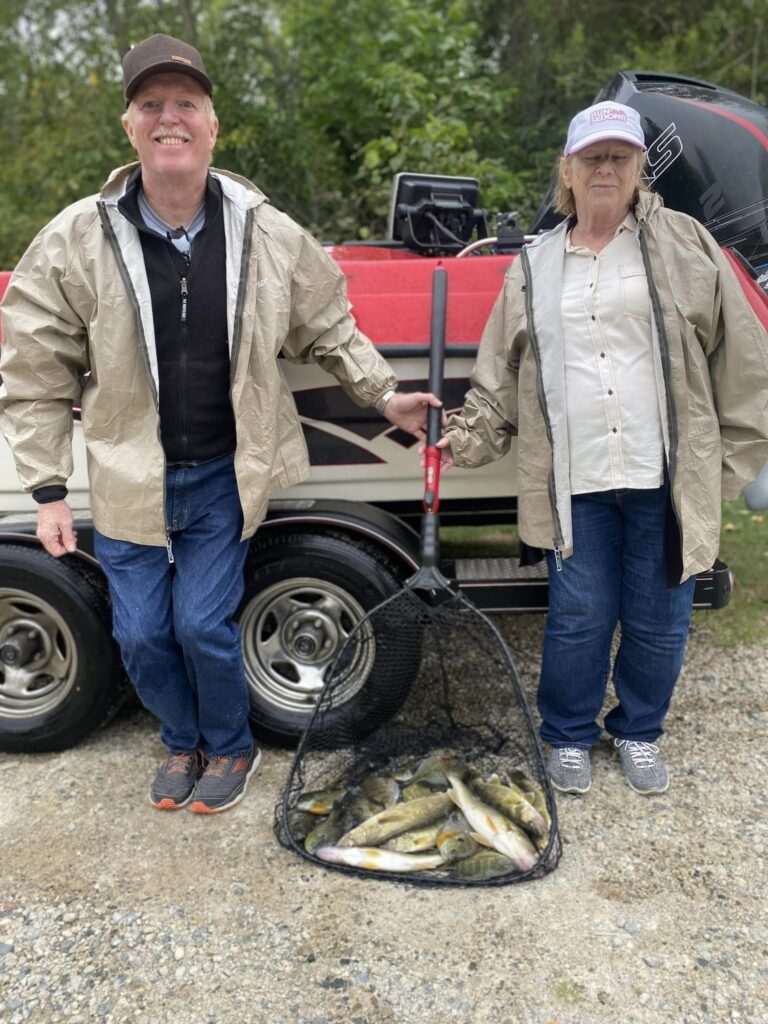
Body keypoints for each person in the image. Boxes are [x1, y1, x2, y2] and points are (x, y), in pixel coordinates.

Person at [0, 34, 440, 814]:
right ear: (129, 128)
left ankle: (229, 747)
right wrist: (47, 490)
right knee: (140, 636)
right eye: (152, 107)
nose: (170, 119)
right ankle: (180, 740)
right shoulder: (76, 237)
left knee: (203, 626)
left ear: (213, 126)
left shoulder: (265, 230)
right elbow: (35, 371)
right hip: (129, 478)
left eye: (186, 106)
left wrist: (384, 395)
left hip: (223, 476)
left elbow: (327, 323)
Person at [436, 101, 768, 796]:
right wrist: (460, 438)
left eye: (620, 156)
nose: (606, 169)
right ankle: (567, 735)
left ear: (640, 168)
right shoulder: (535, 264)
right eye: (593, 158)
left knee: (659, 619)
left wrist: (729, 463)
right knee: (579, 618)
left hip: (666, 477)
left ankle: (640, 731)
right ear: (569, 171)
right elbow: (502, 370)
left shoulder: (687, 244)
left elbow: (744, 359)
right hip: (576, 479)